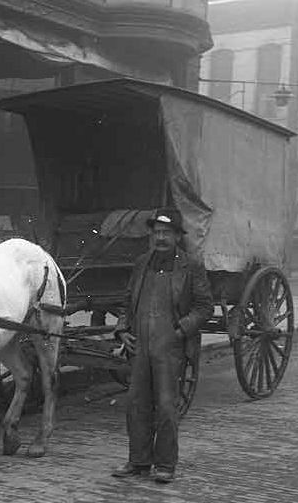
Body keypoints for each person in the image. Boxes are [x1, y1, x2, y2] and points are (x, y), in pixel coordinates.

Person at [111, 207, 213, 484]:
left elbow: (205, 307)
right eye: (157, 232)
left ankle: (165, 464)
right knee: (136, 404)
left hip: (171, 348)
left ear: (178, 236)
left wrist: (180, 331)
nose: (161, 238)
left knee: (167, 406)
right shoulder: (142, 262)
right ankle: (138, 461)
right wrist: (122, 330)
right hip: (140, 347)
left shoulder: (190, 266)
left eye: (167, 232)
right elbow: (126, 301)